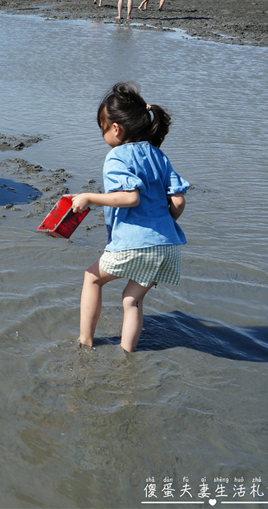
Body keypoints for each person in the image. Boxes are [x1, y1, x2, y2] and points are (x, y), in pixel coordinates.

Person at [71, 82, 189, 352]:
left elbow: (129, 197)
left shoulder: (117, 156)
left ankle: (85, 342)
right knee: (131, 300)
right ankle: (127, 355)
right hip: (167, 246)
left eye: (102, 128)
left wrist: (89, 197)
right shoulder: (159, 155)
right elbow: (179, 201)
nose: (103, 135)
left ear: (115, 128)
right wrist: (162, 224)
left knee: (92, 278)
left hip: (134, 245)